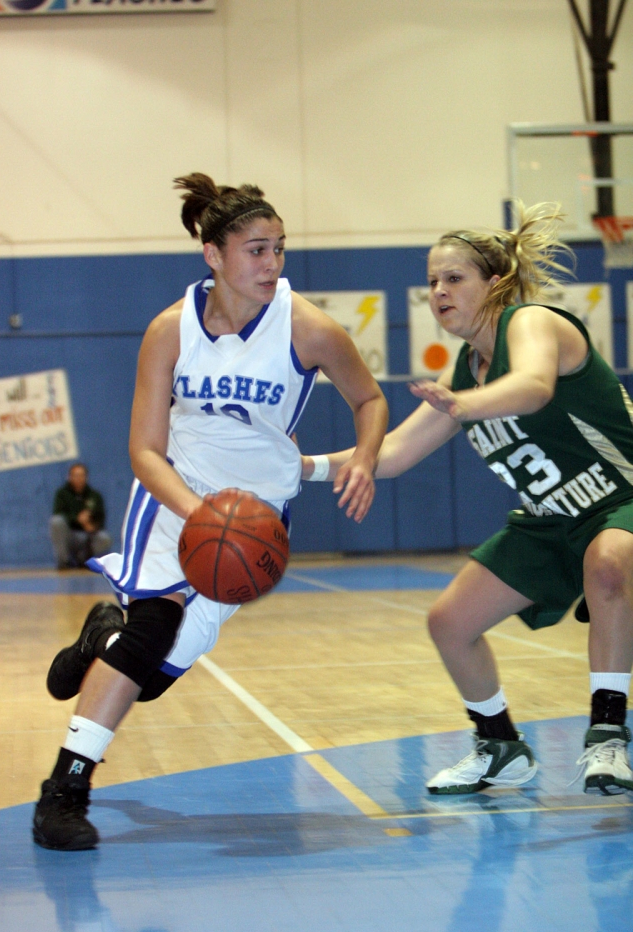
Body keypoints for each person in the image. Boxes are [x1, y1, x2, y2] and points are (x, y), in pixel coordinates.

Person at [32, 173, 388, 851]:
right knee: (151, 631)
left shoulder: (308, 327)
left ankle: (97, 639)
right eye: (256, 249)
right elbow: (143, 450)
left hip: (254, 519)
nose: (272, 264)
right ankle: (64, 792)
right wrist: (199, 514)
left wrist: (365, 457)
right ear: (214, 254)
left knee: (153, 677)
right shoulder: (170, 330)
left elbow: (369, 400)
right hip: (176, 497)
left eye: (279, 248)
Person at [303, 200, 633, 797]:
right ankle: (499, 746)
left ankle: (608, 734)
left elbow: (532, 388)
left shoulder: (531, 323)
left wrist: (464, 405)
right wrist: (294, 468)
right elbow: (394, 454)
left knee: (608, 564)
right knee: (450, 621)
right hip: (554, 519)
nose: (438, 291)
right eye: (432, 281)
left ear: (497, 282)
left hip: (621, 500)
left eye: (454, 278)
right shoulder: (467, 368)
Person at [49, 463, 112, 570]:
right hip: (69, 535)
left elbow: (100, 518)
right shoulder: (62, 494)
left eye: (81, 475)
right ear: (69, 477)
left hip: (88, 535)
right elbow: (58, 513)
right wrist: (77, 519)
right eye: (75, 475)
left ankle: (84, 559)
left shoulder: (94, 495)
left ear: (86, 477)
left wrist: (91, 526)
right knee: (56, 521)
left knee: (105, 539)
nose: (79, 478)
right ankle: (64, 562)